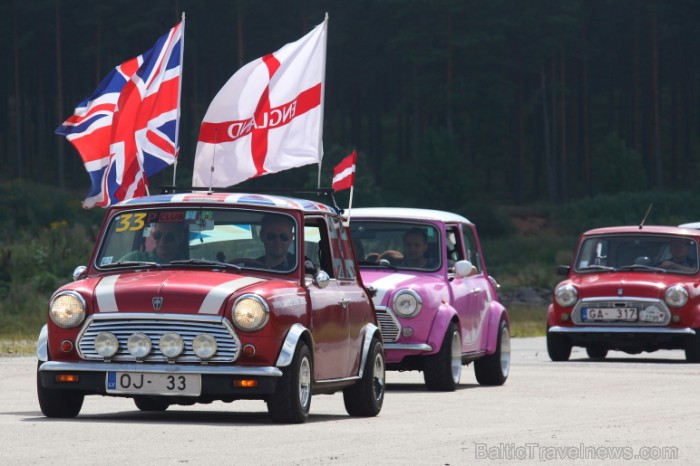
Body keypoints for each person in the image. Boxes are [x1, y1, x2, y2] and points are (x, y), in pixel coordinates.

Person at [121, 222, 189, 264]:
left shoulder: (191, 265)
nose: (162, 241)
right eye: (157, 235)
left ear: (180, 237)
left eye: (169, 237)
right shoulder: (135, 259)